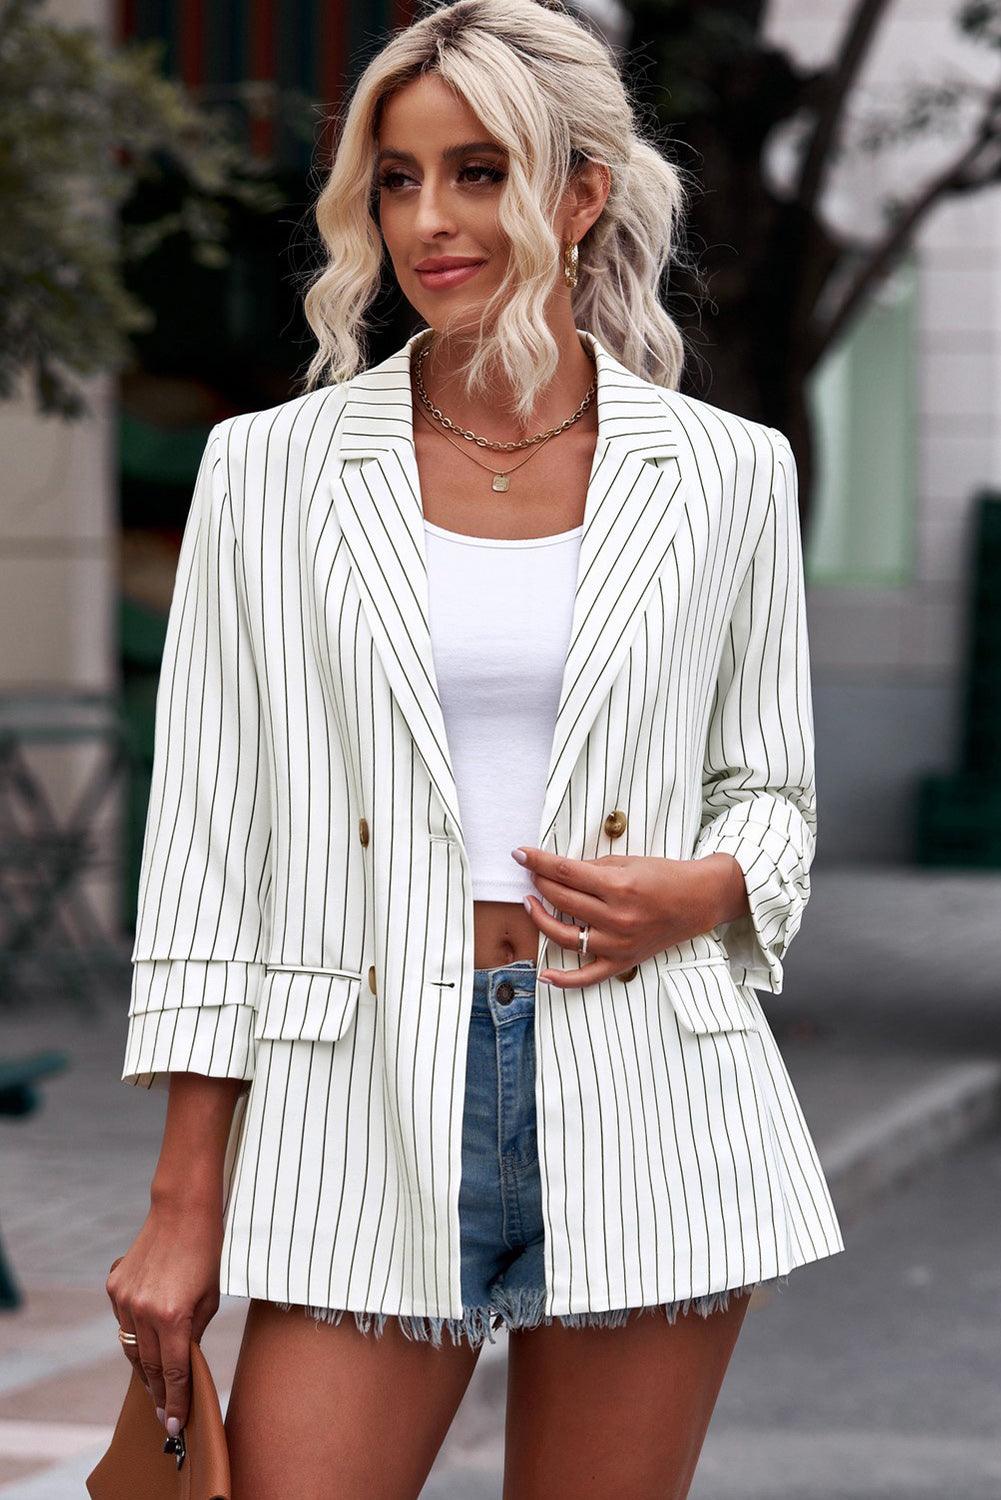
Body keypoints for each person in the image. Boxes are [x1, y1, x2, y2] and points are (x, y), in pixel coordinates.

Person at [106, 1, 844, 1495]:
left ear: (580, 194)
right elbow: (207, 842)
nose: (429, 220)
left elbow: (769, 787)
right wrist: (185, 1203)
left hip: (644, 1079)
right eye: (397, 179)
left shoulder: (726, 474)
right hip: (357, 1089)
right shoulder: (270, 472)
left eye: (479, 172)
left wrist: (707, 889)